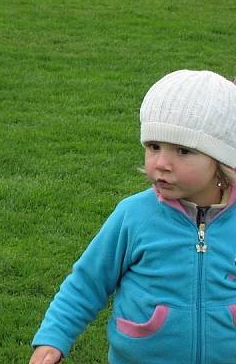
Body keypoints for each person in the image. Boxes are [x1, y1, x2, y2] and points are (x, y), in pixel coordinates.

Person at [30, 69, 236, 364]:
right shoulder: (134, 216)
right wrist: (54, 337)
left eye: (182, 150)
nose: (161, 163)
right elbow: (88, 281)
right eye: (154, 147)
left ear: (222, 160)